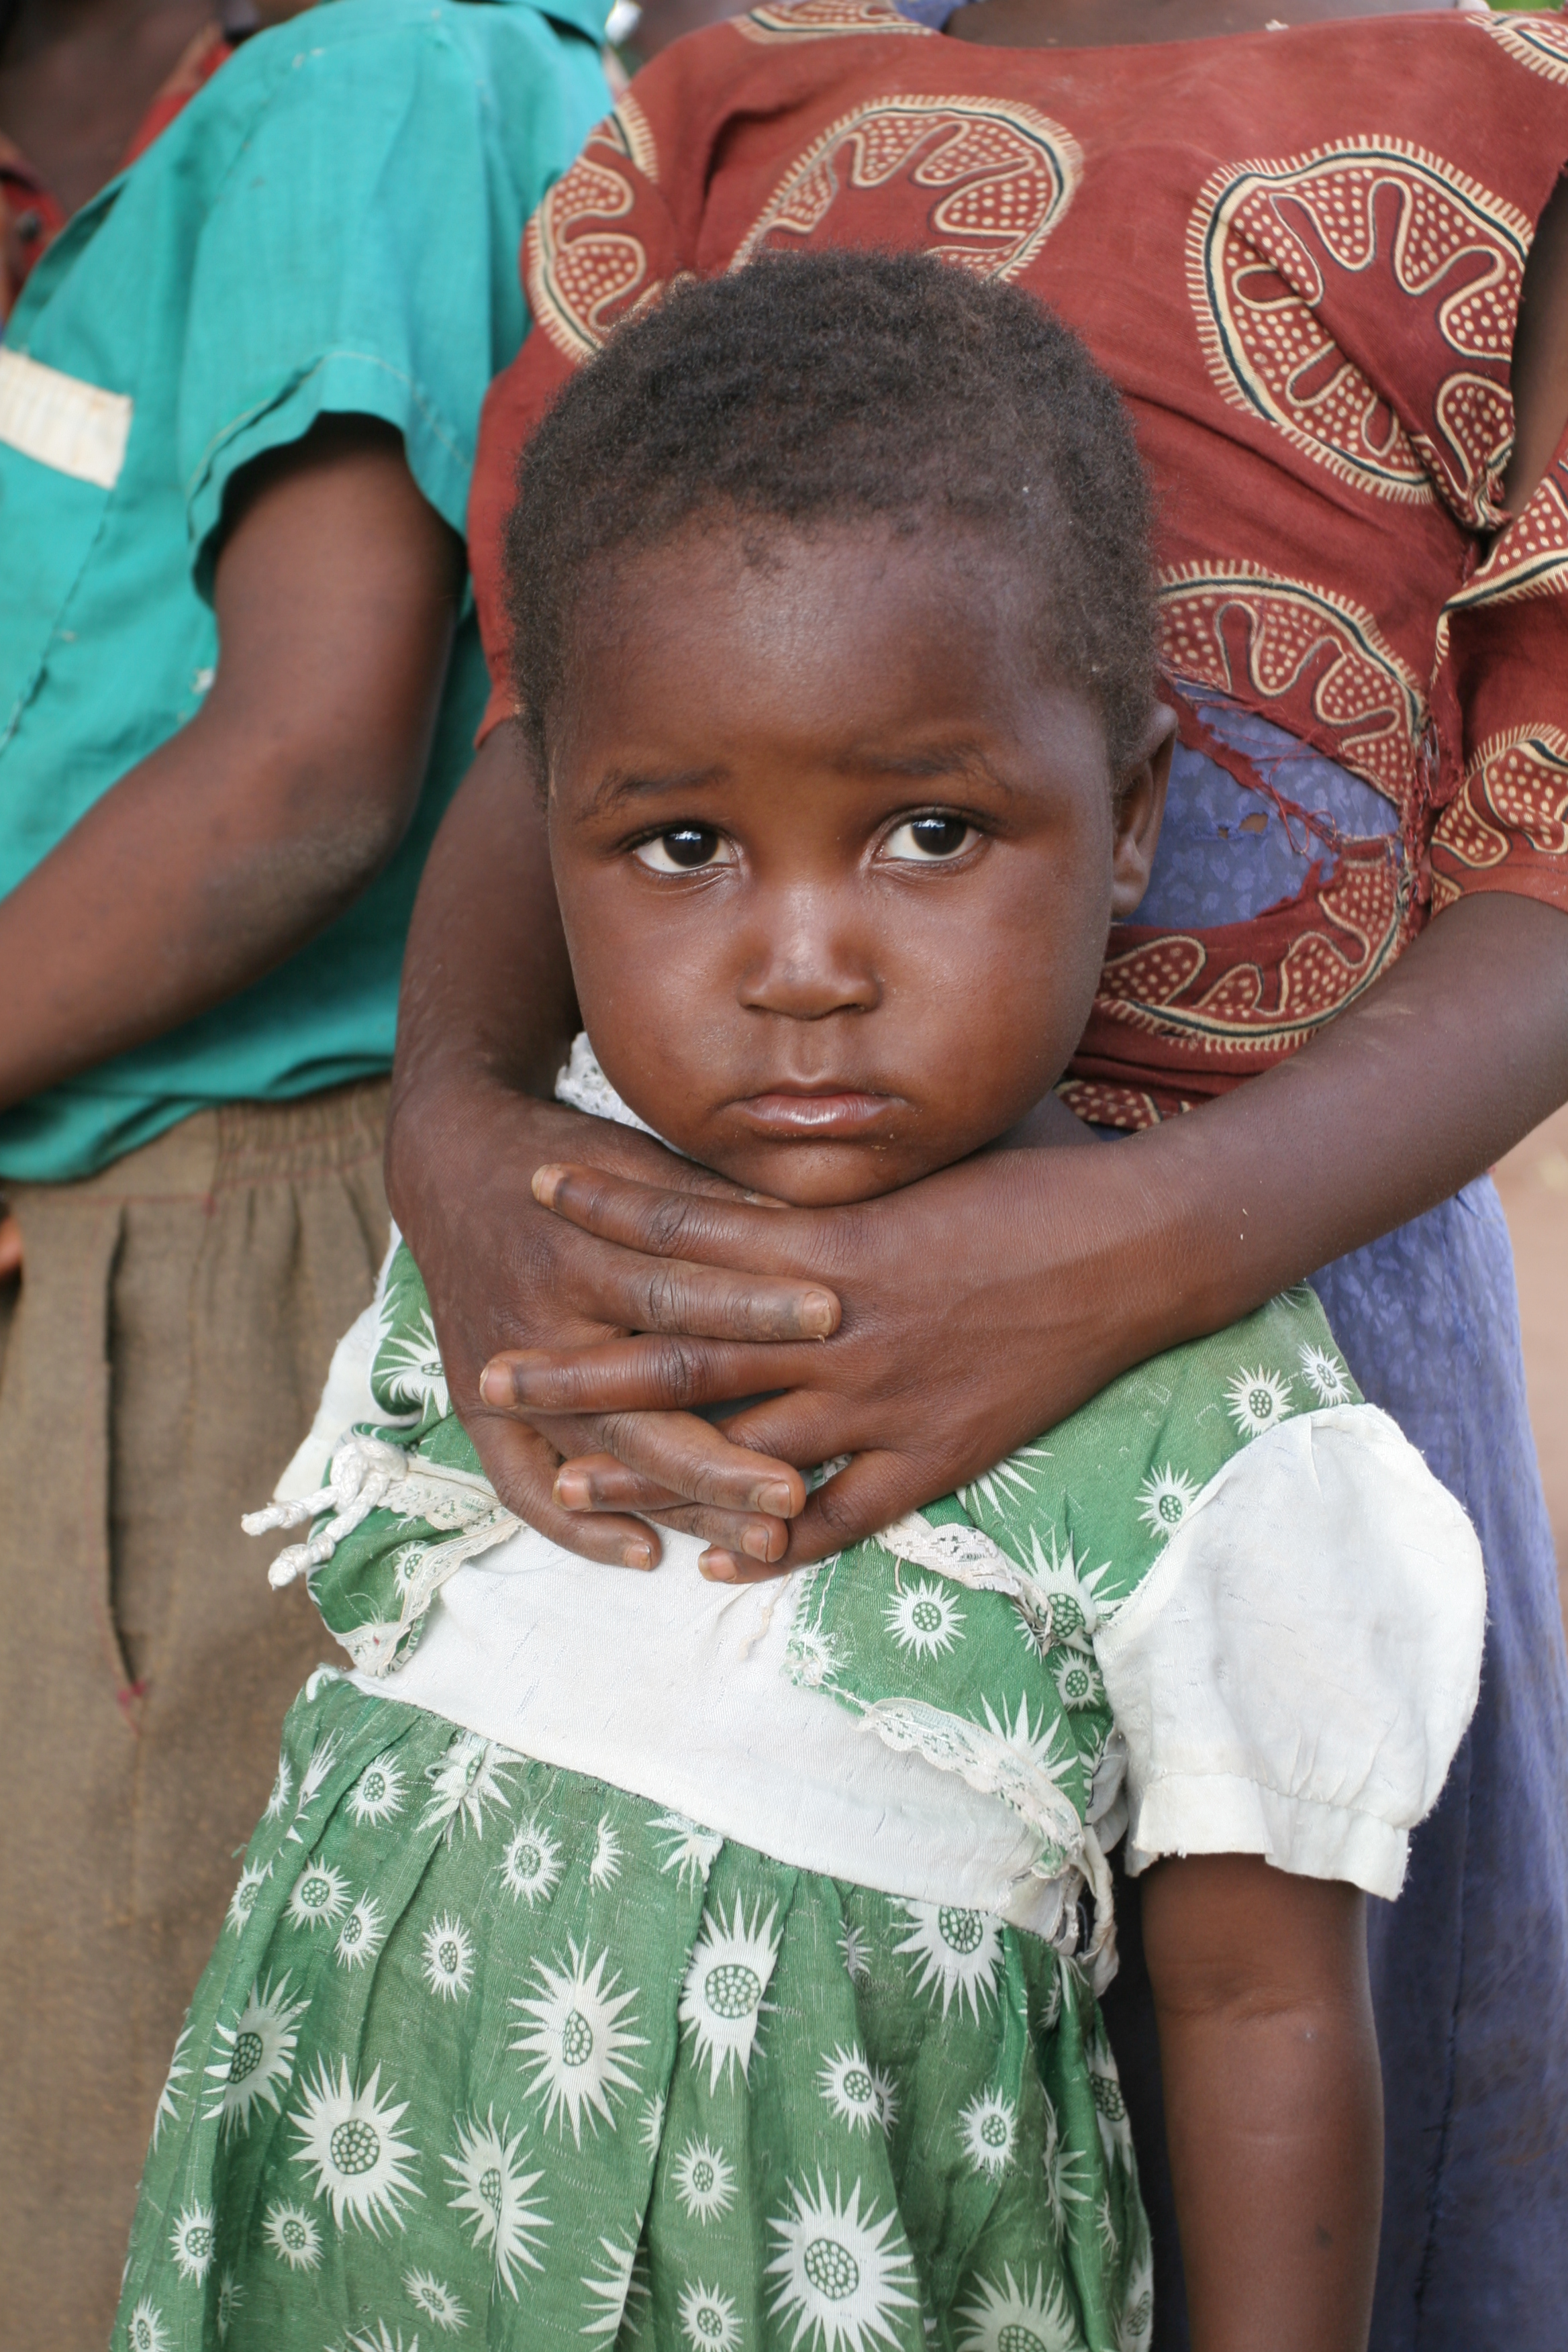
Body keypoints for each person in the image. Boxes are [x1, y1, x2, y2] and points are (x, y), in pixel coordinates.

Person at [115, 251, 1482, 2352]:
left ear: (1130, 818)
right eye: (682, 848)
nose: (806, 966)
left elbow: (1262, 2015)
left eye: (929, 832)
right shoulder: (527, 1228)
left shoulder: (1220, 1434)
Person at [386, 5, 1568, 2345]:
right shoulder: (729, 78)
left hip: (1285, 1279)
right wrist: (453, 1120)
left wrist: (1125, 1251)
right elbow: (564, 706)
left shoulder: (1519, 82)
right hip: (702, 1270)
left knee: (1290, 2098)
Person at [0, 0, 609, 2335]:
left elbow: (305, 771)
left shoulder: (360, 78)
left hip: (237, 1273)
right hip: (118, 1227)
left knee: (143, 2142)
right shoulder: (140, 193)